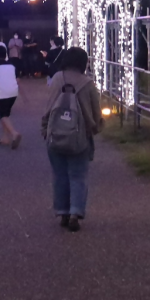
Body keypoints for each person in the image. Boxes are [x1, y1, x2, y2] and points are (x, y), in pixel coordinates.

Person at [41, 47, 102, 231]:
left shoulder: (57, 79)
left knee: (59, 175)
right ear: (84, 63)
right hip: (79, 137)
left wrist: (45, 128)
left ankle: (62, 212)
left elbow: (49, 105)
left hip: (55, 134)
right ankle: (75, 212)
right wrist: (95, 128)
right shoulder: (88, 83)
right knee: (78, 175)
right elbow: (96, 115)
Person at [0, 45, 22, 149]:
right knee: (6, 114)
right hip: (13, 92)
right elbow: (18, 80)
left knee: (3, 115)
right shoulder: (12, 66)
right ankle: (5, 138)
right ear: (6, 55)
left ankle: (14, 134)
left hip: (2, 92)